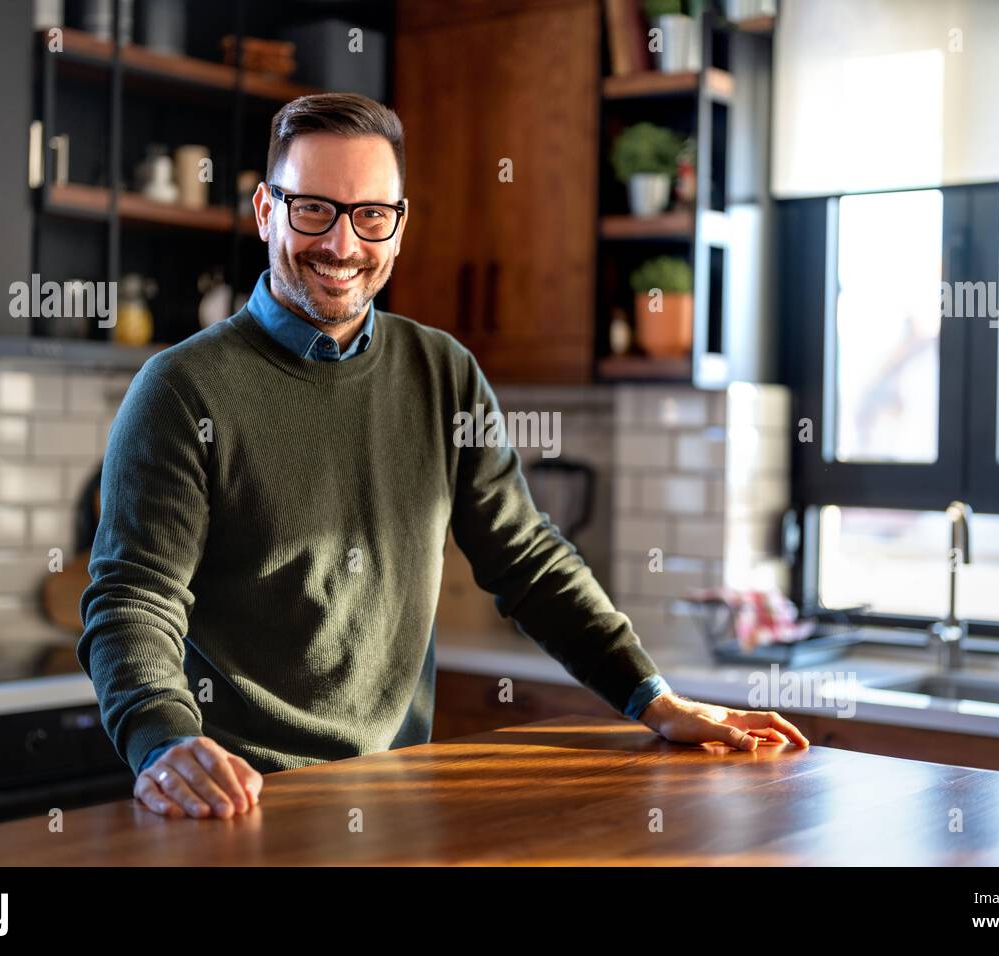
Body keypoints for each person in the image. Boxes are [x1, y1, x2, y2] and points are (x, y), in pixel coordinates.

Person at [77, 92, 809, 821]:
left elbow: (527, 558)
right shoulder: (180, 391)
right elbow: (132, 600)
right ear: (268, 212)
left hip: (393, 801)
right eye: (313, 210)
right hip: (240, 804)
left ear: (399, 228)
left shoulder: (441, 373)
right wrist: (164, 742)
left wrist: (651, 696)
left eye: (370, 215)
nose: (341, 244)